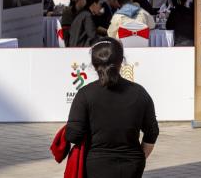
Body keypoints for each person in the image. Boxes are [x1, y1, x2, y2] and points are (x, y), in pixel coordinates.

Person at [65, 38, 159, 178]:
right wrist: (139, 157)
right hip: (132, 165)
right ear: (121, 62)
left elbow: (73, 135)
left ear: (94, 65)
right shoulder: (140, 93)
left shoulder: (85, 94)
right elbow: (152, 132)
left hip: (95, 166)